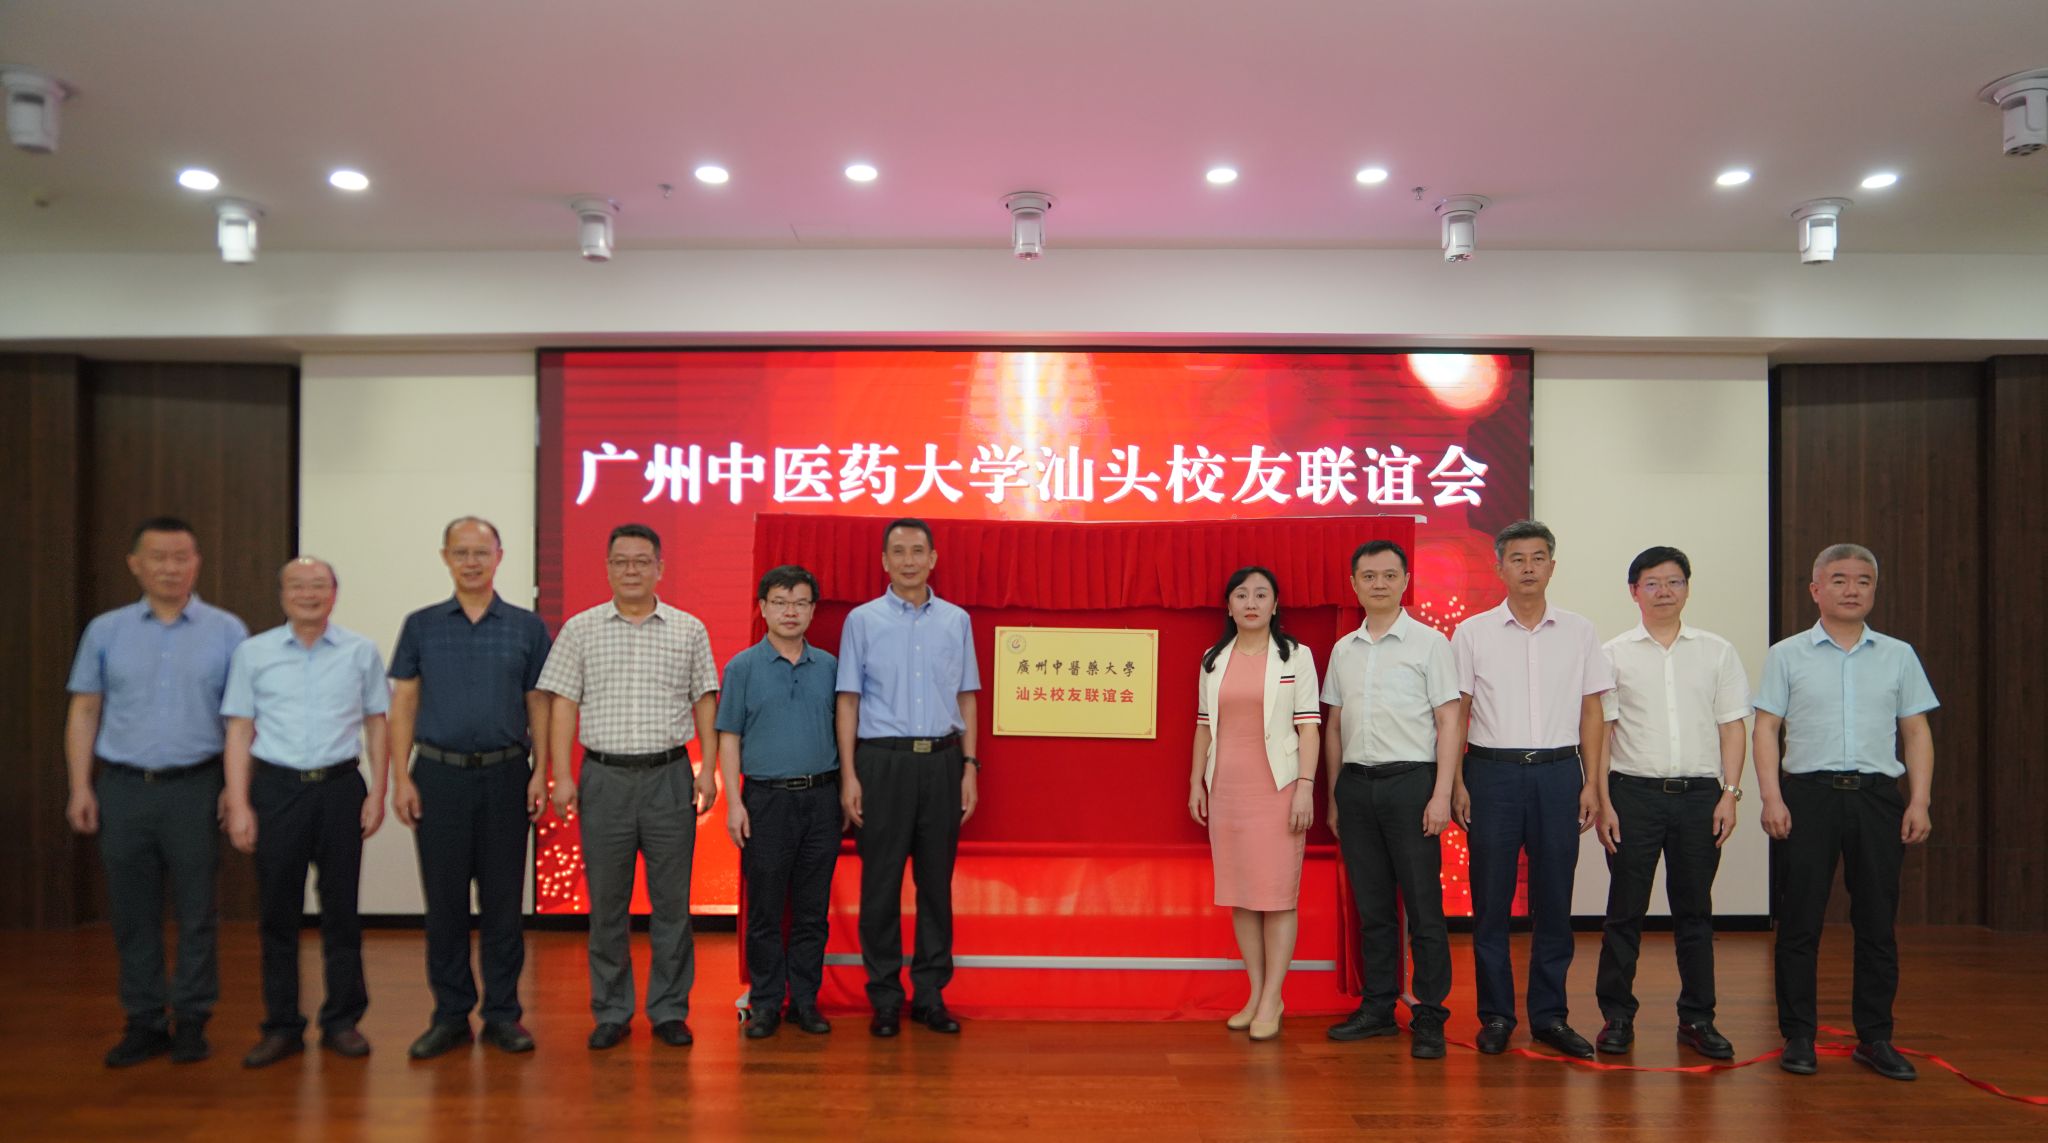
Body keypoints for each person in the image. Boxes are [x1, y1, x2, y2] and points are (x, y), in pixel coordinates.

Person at [64, 517, 249, 1067]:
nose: (171, 568)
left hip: (197, 786)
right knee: (132, 913)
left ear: (197, 563)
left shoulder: (227, 631)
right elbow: (85, 709)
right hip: (123, 788)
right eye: (159, 557)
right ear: (135, 564)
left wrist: (234, 788)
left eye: (181, 557)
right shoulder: (106, 631)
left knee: (198, 911)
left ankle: (191, 1018)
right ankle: (143, 1020)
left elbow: (241, 719)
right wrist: (80, 786)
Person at [1754, 543, 1936, 1082]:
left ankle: (1875, 1037)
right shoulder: (1786, 654)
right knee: (1800, 920)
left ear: (1874, 590)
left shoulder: (1898, 655)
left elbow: (1915, 731)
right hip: (1808, 796)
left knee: (1877, 922)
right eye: (1839, 580)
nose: (1851, 589)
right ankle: (1799, 1035)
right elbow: (1766, 728)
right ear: (1816, 590)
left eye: (1863, 581)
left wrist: (1919, 800)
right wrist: (1771, 797)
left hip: (1878, 798)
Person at [538, 523, 718, 1051]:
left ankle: (669, 1010)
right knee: (607, 905)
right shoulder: (580, 629)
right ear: (608, 569)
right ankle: (612, 1011)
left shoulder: (688, 629)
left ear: (660, 568)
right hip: (604, 779)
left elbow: (705, 700)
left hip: (669, 777)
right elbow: (563, 703)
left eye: (642, 561)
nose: (632, 570)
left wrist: (708, 769)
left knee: (672, 905)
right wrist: (563, 775)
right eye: (622, 562)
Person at [388, 517, 553, 1059]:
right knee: (445, 905)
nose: (471, 562)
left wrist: (541, 770)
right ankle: (450, 1015)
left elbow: (538, 702)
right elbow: (404, 703)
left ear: (499, 556)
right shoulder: (421, 626)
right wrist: (400, 777)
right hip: (438, 776)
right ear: (445, 557)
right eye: (461, 552)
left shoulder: (527, 627)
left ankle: (503, 1014)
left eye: (481, 552)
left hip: (507, 774)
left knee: (504, 905)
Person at [1450, 519, 1613, 1059]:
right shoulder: (1472, 632)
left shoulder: (1579, 631)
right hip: (1490, 774)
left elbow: (1593, 712)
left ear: (1552, 566)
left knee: (1555, 900)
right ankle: (1497, 1015)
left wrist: (1592, 784)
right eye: (1516, 559)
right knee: (1490, 902)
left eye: (1537, 558)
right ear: (1499, 568)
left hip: (1558, 774)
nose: (1527, 568)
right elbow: (1457, 713)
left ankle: (1550, 1017)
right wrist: (1456, 781)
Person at [221, 557, 391, 1069]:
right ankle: (281, 1026)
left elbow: (377, 723)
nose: (309, 594)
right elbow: (239, 730)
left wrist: (377, 792)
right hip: (276, 790)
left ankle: (342, 1020)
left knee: (341, 912)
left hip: (339, 788)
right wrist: (239, 802)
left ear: (334, 594)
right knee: (278, 913)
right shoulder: (254, 653)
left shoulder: (360, 651)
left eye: (319, 586)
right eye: (298, 586)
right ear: (282, 594)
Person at [1592, 546, 1750, 1060]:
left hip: (1700, 797)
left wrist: (1730, 794)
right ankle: (1617, 1016)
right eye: (1653, 583)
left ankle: (1698, 1018)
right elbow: (1601, 733)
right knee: (1624, 911)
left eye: (1674, 582)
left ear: (1687, 588)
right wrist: (1603, 799)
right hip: (1632, 796)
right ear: (1634, 591)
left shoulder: (1716, 651)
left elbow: (1732, 726)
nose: (1664, 592)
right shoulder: (1612, 654)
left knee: (1695, 911)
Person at [837, 518, 980, 1038]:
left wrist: (970, 766)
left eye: (918, 551)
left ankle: (930, 995)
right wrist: (849, 775)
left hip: (942, 762)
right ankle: (883, 996)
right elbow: (848, 701)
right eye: (898, 552)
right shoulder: (862, 621)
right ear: (884, 561)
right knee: (880, 885)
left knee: (935, 885)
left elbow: (966, 696)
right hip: (882, 763)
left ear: (933, 558)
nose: (909, 561)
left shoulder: (956, 621)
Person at [1319, 541, 1457, 1059]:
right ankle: (1378, 1006)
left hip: (1412, 785)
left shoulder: (1430, 644)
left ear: (1405, 581)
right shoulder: (1344, 649)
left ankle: (1430, 1014)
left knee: (1423, 907)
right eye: (1369, 575)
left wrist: (1441, 794)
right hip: (1356, 787)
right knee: (1373, 906)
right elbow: (1334, 726)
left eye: (1389, 574)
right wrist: (1335, 796)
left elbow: (1449, 721)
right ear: (1354, 584)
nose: (1379, 583)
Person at [1188, 565, 1322, 1042]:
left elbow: (1309, 726)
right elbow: (1204, 726)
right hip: (1228, 788)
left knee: (1277, 896)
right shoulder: (1213, 659)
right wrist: (1196, 782)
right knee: (1242, 895)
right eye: (1242, 595)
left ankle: (1273, 998)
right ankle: (1256, 993)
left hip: (1279, 788)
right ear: (1229, 606)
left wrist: (1305, 785)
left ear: (1275, 604)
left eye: (1261, 594)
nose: (1251, 603)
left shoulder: (1295, 656)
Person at [717, 565, 841, 1040]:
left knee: (812, 910)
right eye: (781, 602)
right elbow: (729, 736)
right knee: (765, 910)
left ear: (812, 610)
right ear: (763, 608)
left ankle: (805, 1001)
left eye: (800, 602)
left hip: (821, 799)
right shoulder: (742, 668)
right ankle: (766, 1002)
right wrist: (734, 803)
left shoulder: (830, 667)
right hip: (765, 801)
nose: (791, 611)